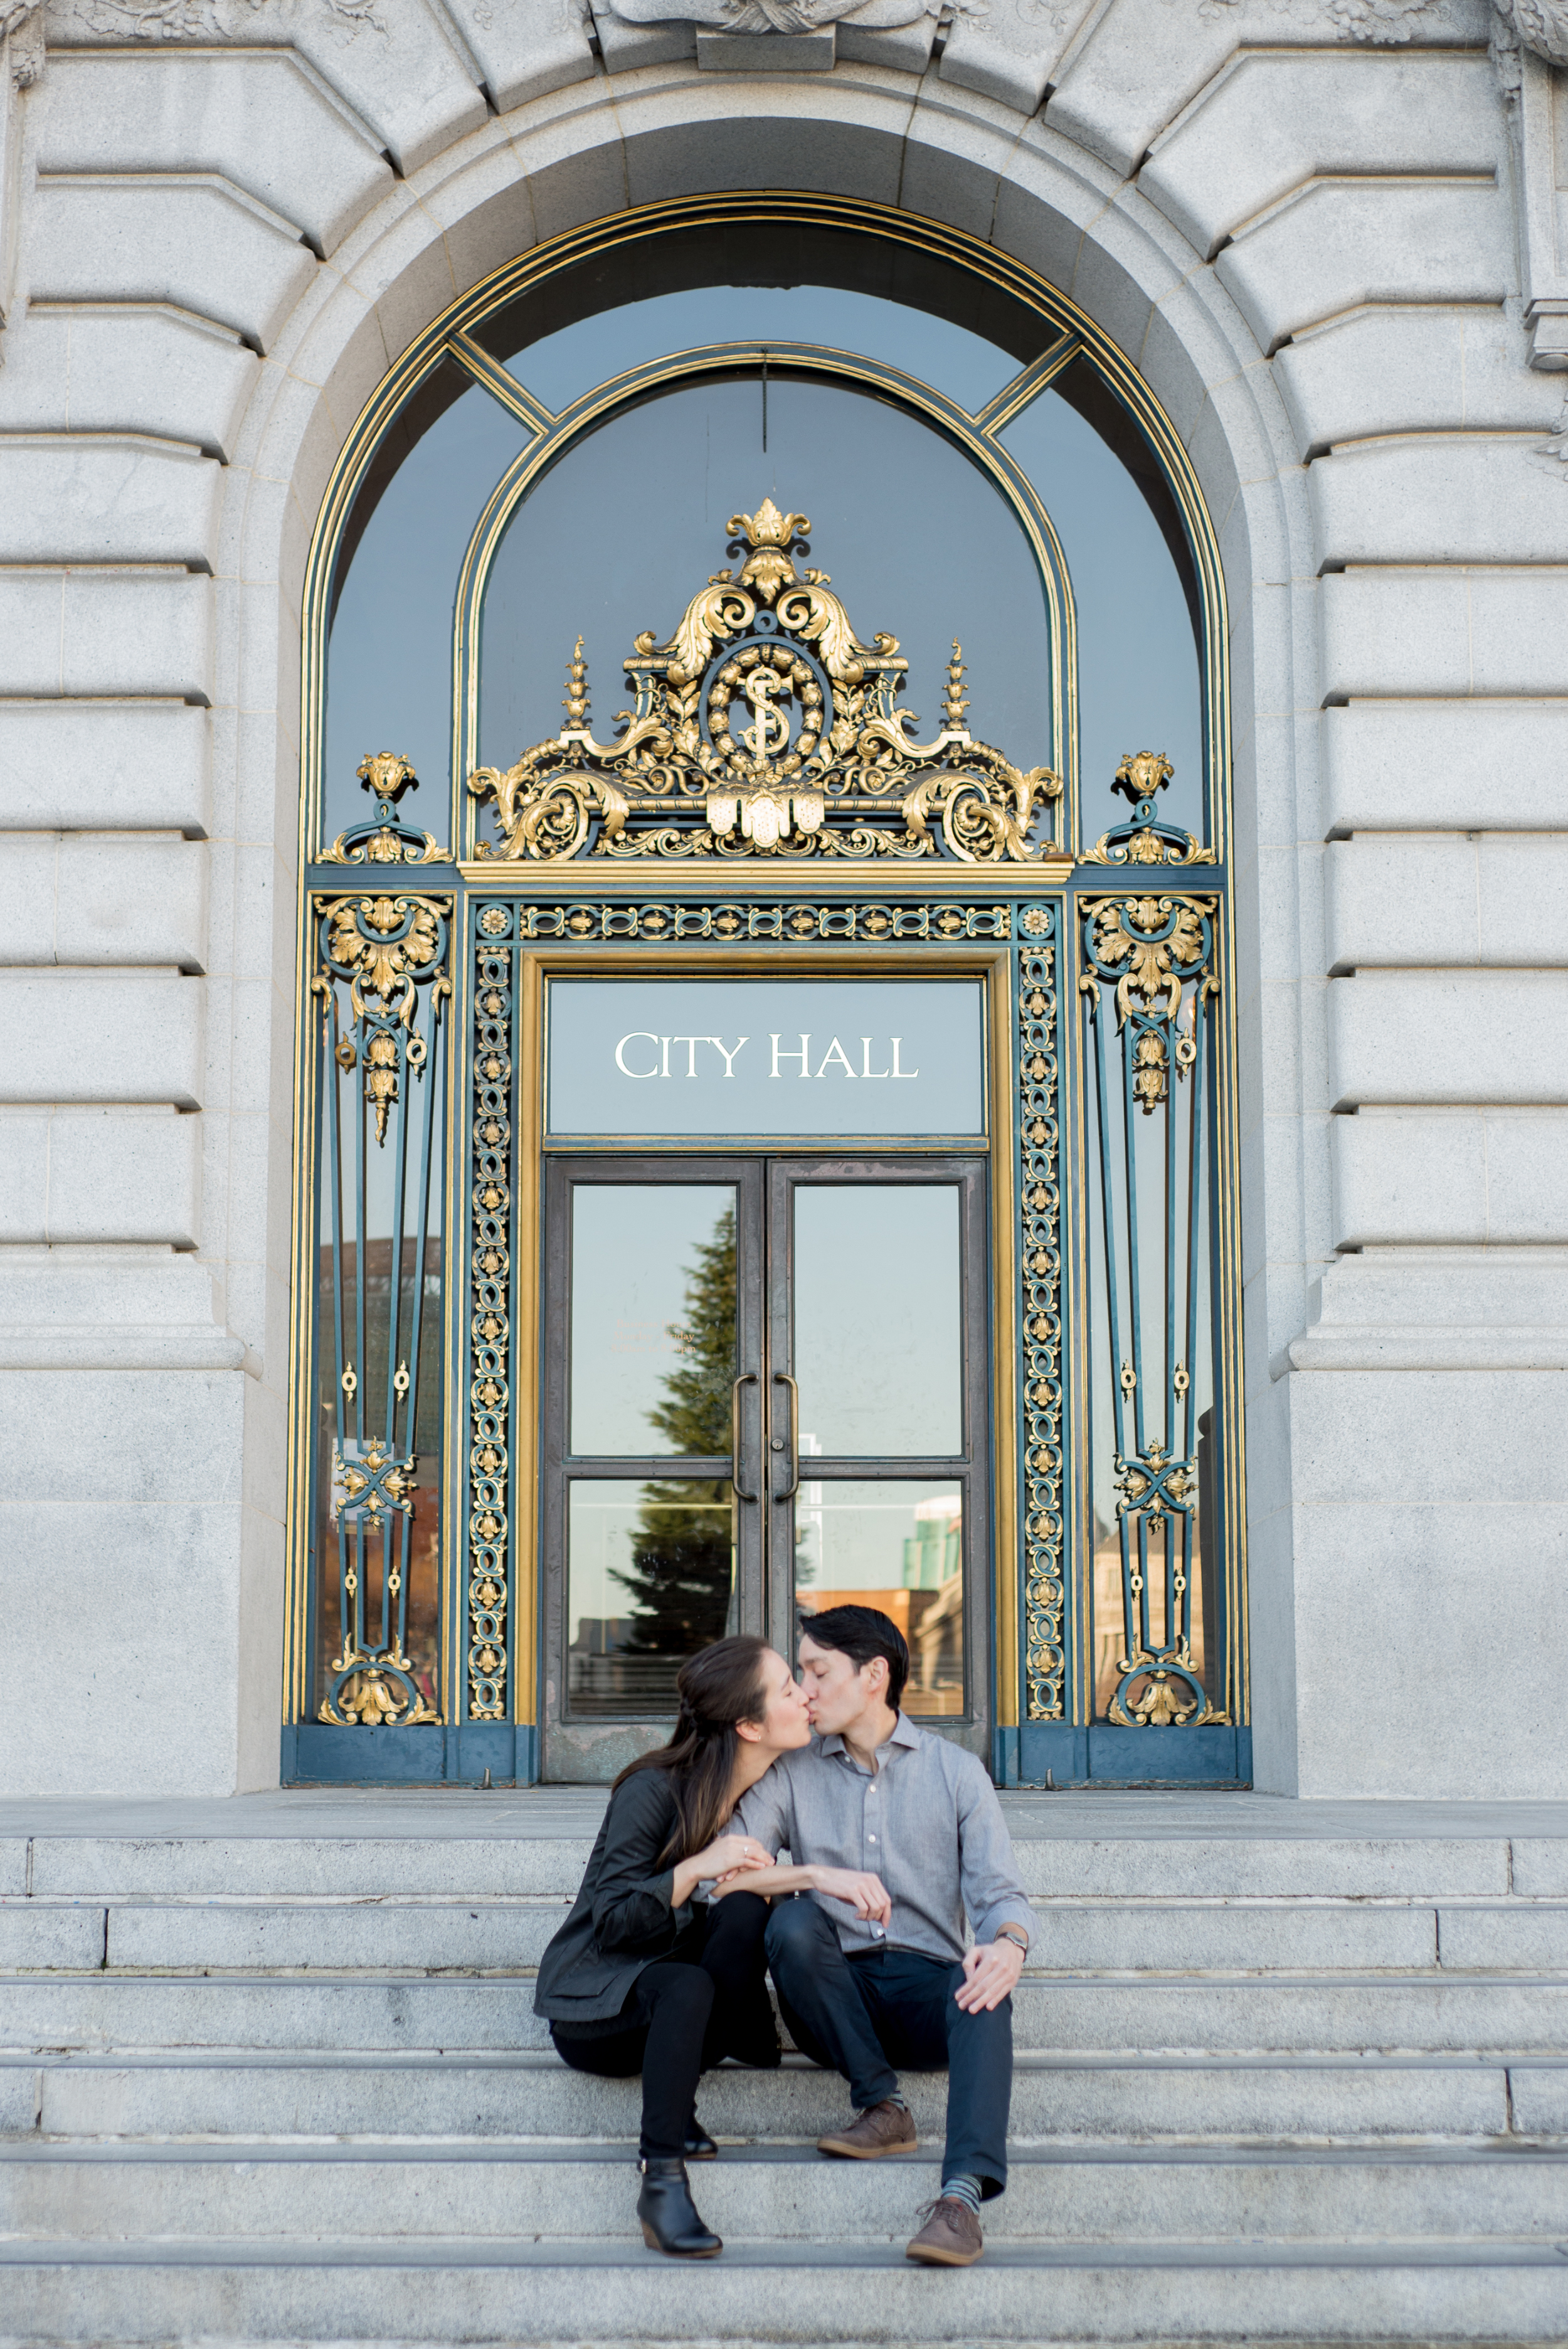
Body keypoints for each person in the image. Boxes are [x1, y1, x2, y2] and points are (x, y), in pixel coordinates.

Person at [721, 1604, 1036, 2269]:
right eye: (800, 1673)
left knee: (986, 1984)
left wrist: (1008, 1944)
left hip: (925, 1993)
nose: (803, 1690)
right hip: (833, 1996)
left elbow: (1001, 1895)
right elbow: (719, 1877)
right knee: (796, 1919)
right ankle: (881, 2104)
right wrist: (811, 1875)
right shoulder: (791, 1772)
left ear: (874, 1675)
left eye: (816, 1670)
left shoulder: (955, 1772)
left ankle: (960, 2200)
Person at [533, 1635, 807, 2258]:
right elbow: (613, 1922)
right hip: (599, 2003)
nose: (806, 1696)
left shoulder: (767, 1785)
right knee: (688, 1985)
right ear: (748, 1723)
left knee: (743, 1910)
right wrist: (696, 1868)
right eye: (789, 1688)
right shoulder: (652, 1789)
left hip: (678, 1986)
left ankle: (742, 2037)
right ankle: (660, 2179)